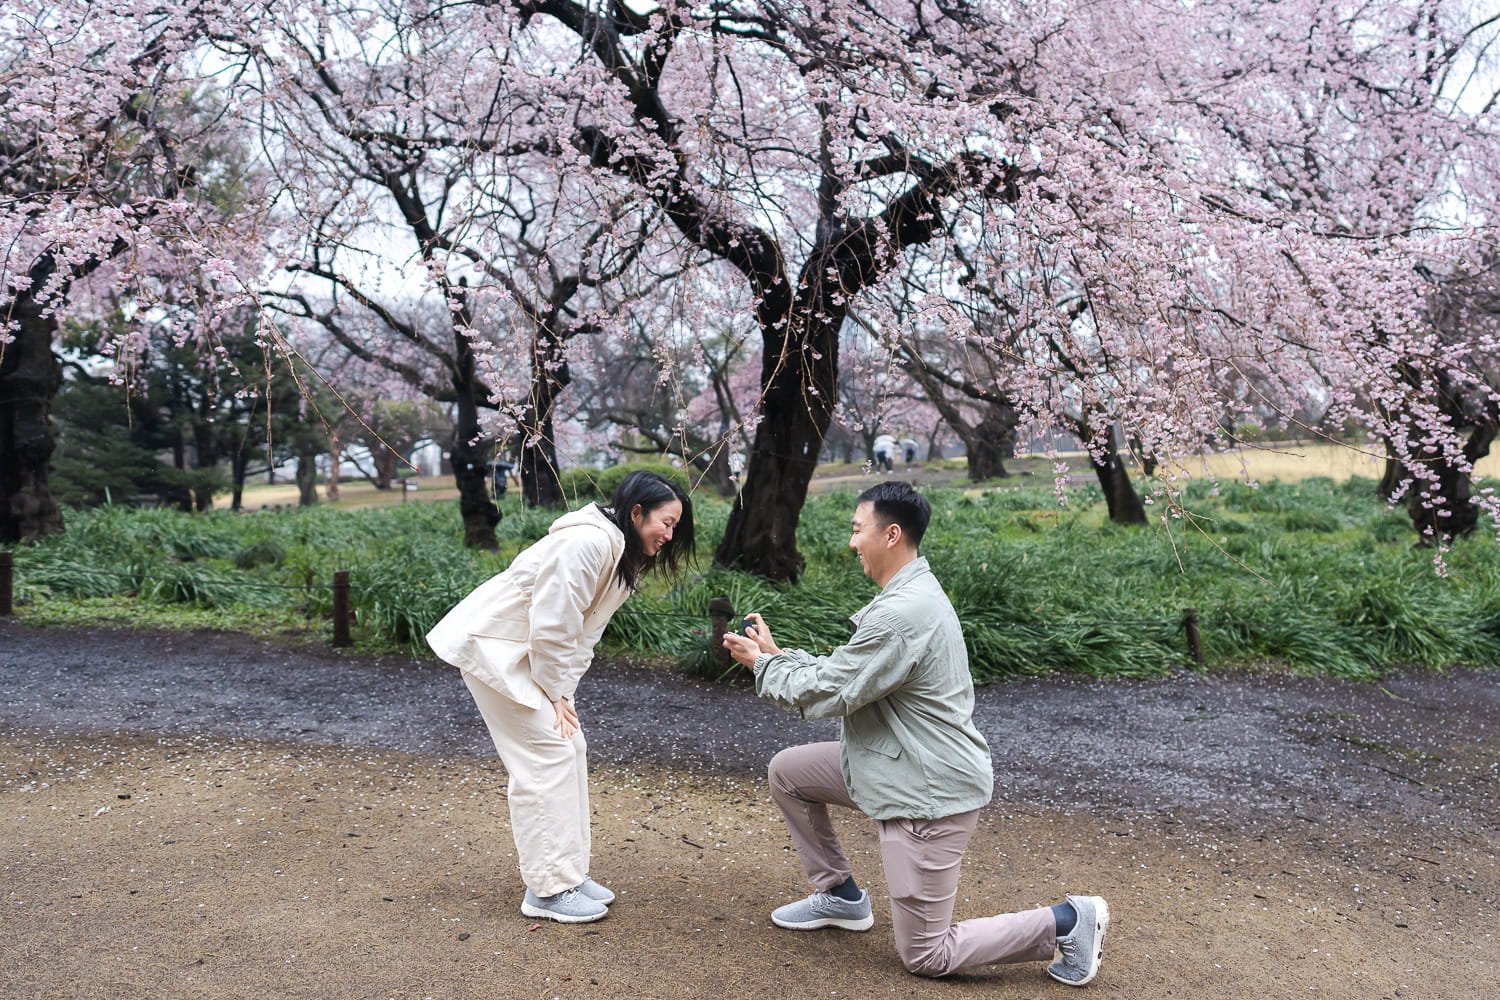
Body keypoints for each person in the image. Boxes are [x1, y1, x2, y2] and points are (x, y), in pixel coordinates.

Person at [722, 482, 1108, 985]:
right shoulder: (909, 596)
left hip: (928, 792)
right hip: (896, 762)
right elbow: (849, 675)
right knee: (789, 773)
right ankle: (840, 895)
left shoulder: (902, 614)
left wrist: (765, 667)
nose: (852, 542)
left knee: (927, 955)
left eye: (858, 530)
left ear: (892, 534)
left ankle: (1067, 921)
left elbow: (831, 692)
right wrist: (778, 659)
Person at [428, 470, 694, 924]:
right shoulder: (587, 544)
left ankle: (568, 873)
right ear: (636, 513)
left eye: (674, 526)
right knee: (545, 756)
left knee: (570, 745)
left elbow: (583, 636)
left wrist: (562, 695)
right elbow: (553, 626)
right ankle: (547, 890)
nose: (669, 534)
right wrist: (553, 693)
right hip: (495, 648)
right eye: (665, 523)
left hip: (524, 657)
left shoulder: (619, 557)